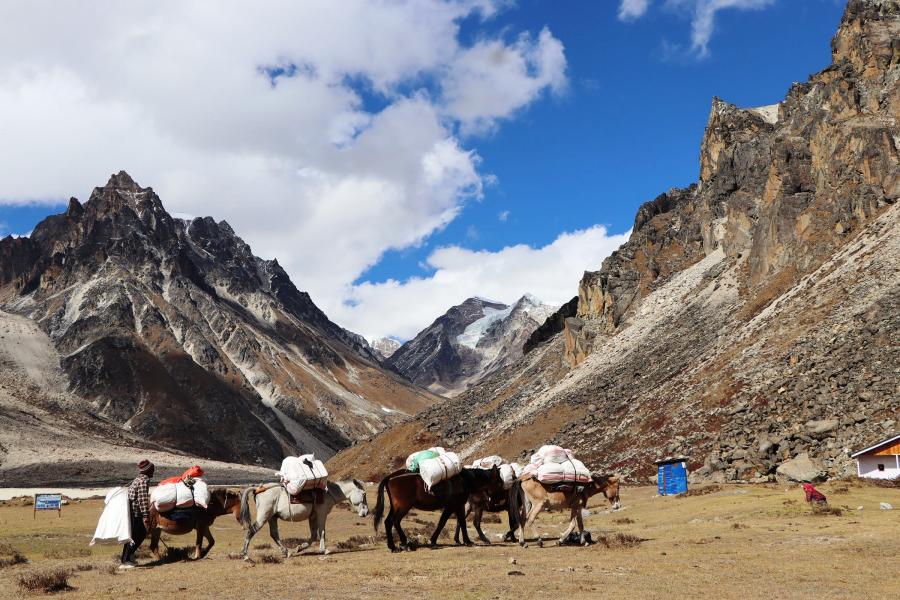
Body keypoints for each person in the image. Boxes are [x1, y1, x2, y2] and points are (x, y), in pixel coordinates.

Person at [120, 459, 154, 568]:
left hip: (132, 510)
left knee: (136, 534)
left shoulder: (137, 479)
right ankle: (125, 560)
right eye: (152, 469)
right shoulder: (144, 480)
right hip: (135, 512)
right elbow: (142, 498)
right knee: (137, 534)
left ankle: (129, 557)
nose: (153, 471)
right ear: (148, 470)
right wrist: (145, 515)